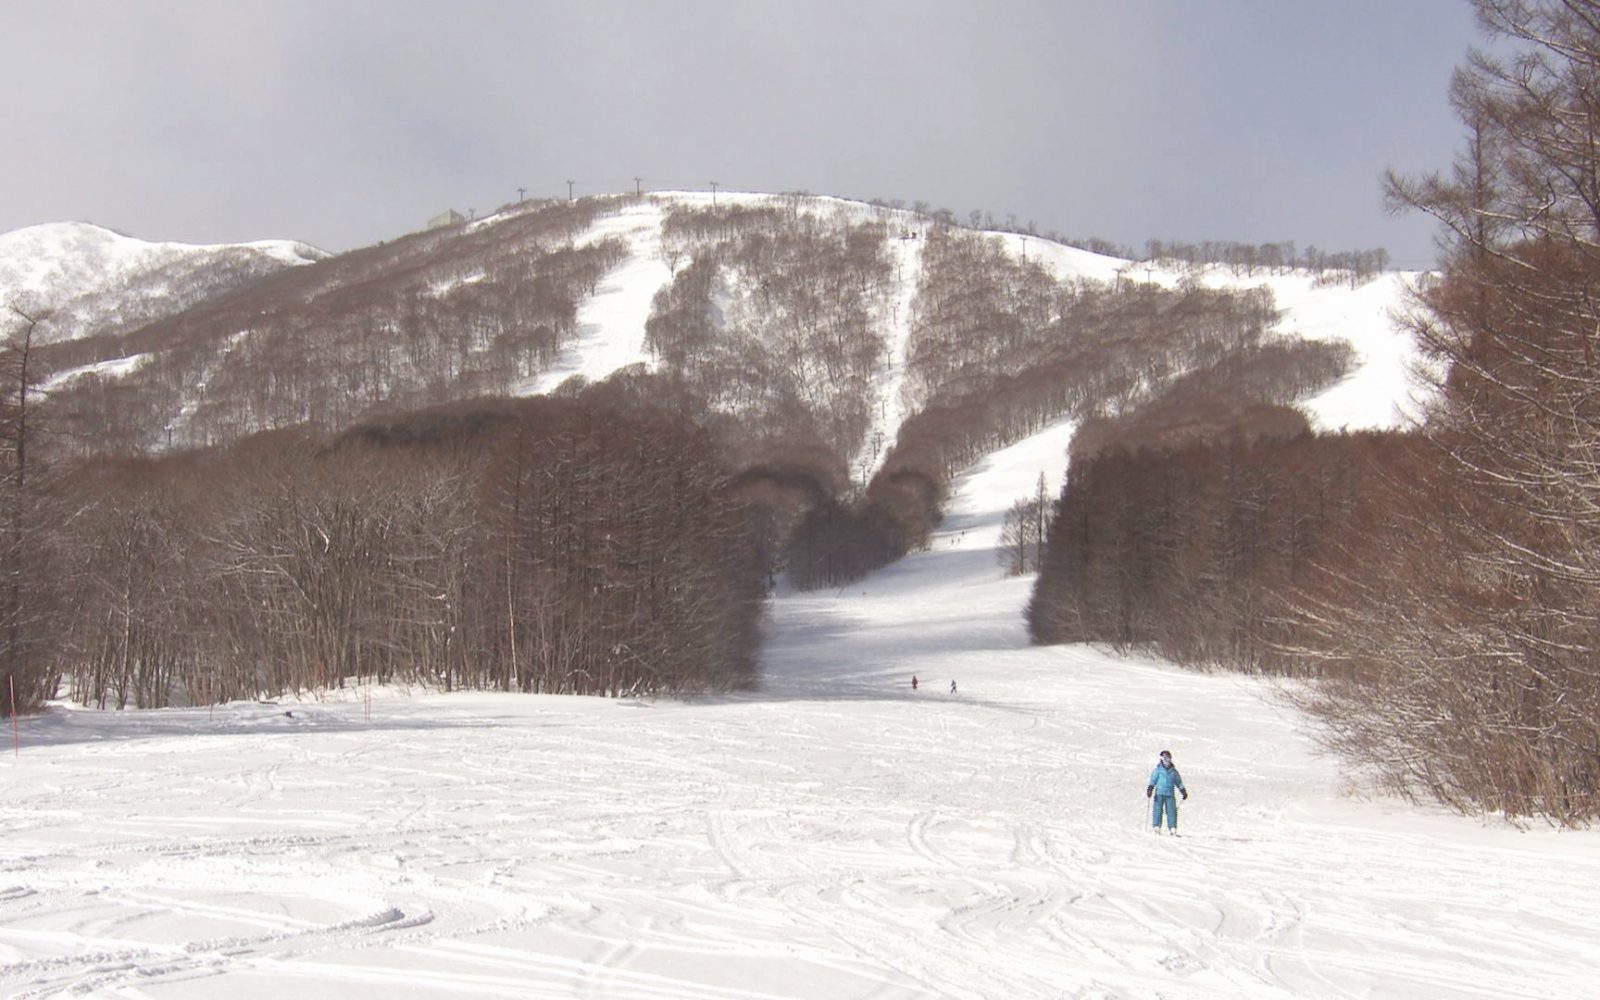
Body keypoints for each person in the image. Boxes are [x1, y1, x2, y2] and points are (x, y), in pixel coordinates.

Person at [1146, 749, 1188, 834]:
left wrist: (1183, 790)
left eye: (1168, 758)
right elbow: (1153, 780)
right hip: (1159, 793)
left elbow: (1178, 782)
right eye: (1165, 758)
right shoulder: (1158, 770)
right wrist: (1150, 788)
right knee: (1158, 810)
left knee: (1171, 811)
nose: (1167, 761)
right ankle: (1156, 826)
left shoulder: (1173, 772)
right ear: (1161, 759)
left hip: (1170, 794)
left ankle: (1172, 827)